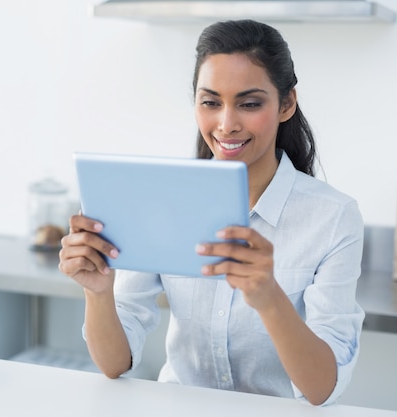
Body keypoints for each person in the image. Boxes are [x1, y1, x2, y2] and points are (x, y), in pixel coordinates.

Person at [58, 19, 364, 406]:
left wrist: (268, 297)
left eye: (250, 104)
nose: (226, 124)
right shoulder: (161, 199)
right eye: (210, 102)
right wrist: (99, 292)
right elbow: (114, 364)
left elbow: (322, 388)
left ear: (286, 104)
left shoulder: (334, 218)